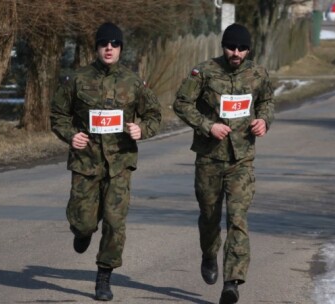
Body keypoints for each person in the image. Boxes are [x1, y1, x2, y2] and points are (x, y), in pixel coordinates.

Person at [50, 22, 161, 301]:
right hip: (86, 162)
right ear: (96, 48)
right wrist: (70, 135)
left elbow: (153, 115)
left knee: (114, 222)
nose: (108, 48)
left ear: (121, 48)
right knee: (84, 222)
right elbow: (58, 115)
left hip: (120, 164)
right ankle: (82, 231)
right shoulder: (76, 79)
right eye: (103, 44)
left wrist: (142, 130)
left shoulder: (134, 83)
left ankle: (103, 277)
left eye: (114, 44)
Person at [172, 23, 274, 304]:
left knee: (238, 219)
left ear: (248, 49)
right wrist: (207, 126)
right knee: (210, 216)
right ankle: (208, 253)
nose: (236, 53)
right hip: (209, 158)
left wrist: (263, 120)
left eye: (242, 48)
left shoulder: (258, 73)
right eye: (232, 47)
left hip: (242, 160)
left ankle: (232, 282)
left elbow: (267, 101)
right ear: (223, 47)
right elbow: (181, 103)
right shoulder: (204, 72)